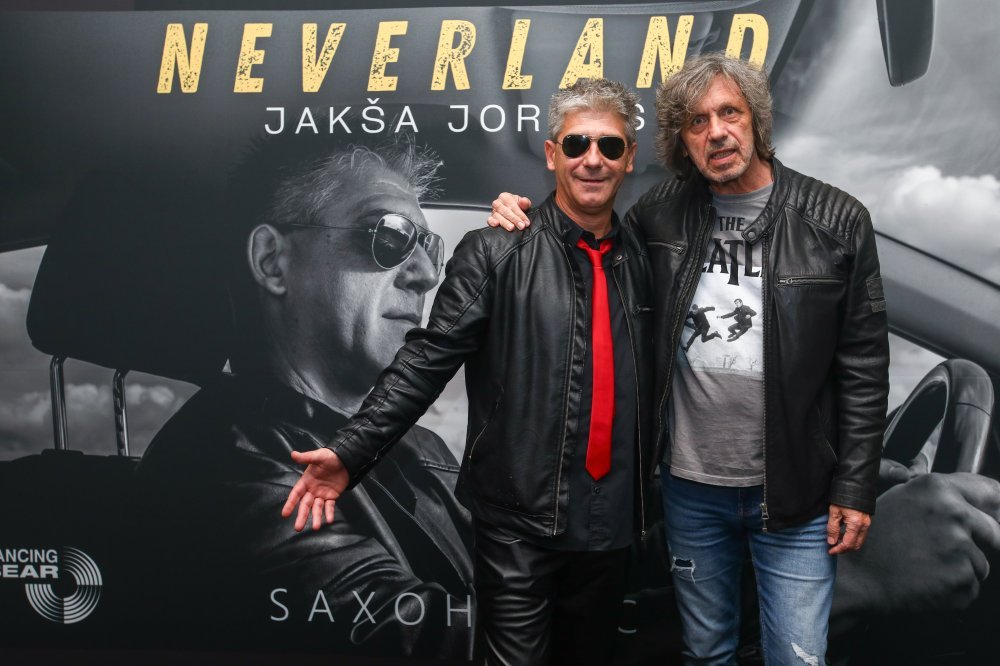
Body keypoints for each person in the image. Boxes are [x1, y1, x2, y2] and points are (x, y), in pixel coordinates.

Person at [488, 52, 889, 665]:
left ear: (756, 119)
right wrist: (516, 214)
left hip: (796, 496)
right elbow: (579, 241)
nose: (716, 133)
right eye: (697, 122)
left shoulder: (835, 221)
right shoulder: (658, 216)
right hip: (689, 491)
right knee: (705, 654)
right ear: (681, 140)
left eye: (729, 113)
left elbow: (863, 366)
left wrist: (855, 487)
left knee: (798, 658)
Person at [280, 78, 654, 665]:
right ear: (552, 153)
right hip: (518, 526)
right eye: (577, 143)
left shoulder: (650, 260)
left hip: (612, 525)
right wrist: (350, 451)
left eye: (609, 146)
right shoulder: (495, 250)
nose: (592, 159)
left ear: (629, 158)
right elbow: (426, 360)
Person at [132, 133, 475, 658]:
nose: (427, 275)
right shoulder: (225, 463)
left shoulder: (423, 448)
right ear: (273, 260)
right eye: (390, 235)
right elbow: (419, 639)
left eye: (428, 247)